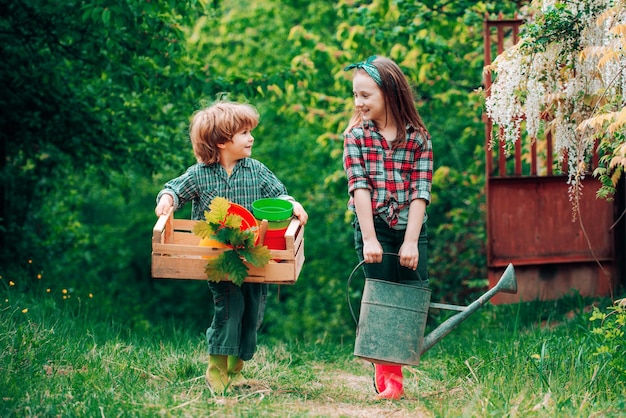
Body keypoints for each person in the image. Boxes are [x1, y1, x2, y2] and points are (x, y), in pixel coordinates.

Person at [155, 100, 308, 395]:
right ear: (223, 141)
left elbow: (280, 195)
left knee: (253, 312)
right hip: (219, 256)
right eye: (245, 133)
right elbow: (173, 188)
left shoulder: (256, 170)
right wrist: (167, 200)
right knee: (230, 308)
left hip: (253, 254)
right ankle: (217, 369)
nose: (251, 138)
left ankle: (236, 369)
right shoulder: (200, 174)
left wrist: (293, 205)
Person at [342, 56, 433, 400]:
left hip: (411, 227)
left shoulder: (419, 139)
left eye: (365, 95)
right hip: (373, 225)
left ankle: (394, 373)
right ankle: (391, 382)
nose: (358, 103)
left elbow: (420, 191)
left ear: (390, 93)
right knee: (380, 297)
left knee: (412, 295)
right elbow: (359, 186)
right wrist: (369, 238)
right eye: (355, 95)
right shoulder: (355, 137)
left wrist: (411, 241)